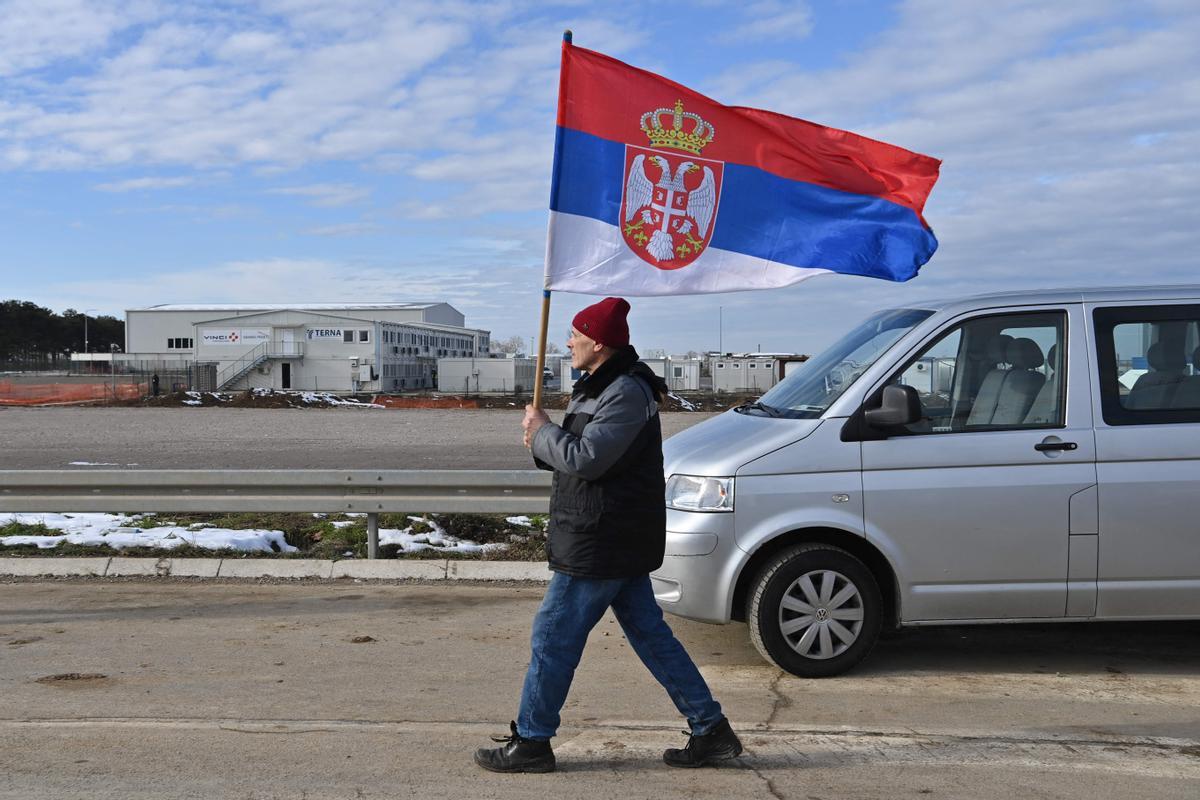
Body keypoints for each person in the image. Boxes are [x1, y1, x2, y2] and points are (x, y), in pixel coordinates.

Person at [474, 297, 742, 774]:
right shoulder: (599, 386)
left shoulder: (624, 391)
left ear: (598, 342)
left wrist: (543, 434)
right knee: (652, 637)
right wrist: (541, 438)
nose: (569, 342)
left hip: (602, 538)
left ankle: (533, 743)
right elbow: (575, 451)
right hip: (609, 533)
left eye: (576, 334)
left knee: (553, 637)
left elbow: (590, 459)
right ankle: (711, 730)